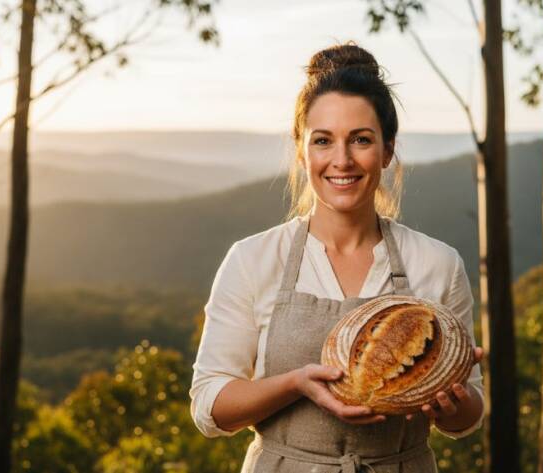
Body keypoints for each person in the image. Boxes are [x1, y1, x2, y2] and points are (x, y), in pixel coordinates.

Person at [189, 42, 485, 473]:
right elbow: (210, 406)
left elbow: (468, 417)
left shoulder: (437, 263)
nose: (341, 160)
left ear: (387, 150)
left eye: (361, 140)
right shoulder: (252, 259)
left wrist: (450, 404)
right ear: (301, 150)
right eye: (323, 141)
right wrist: (296, 384)